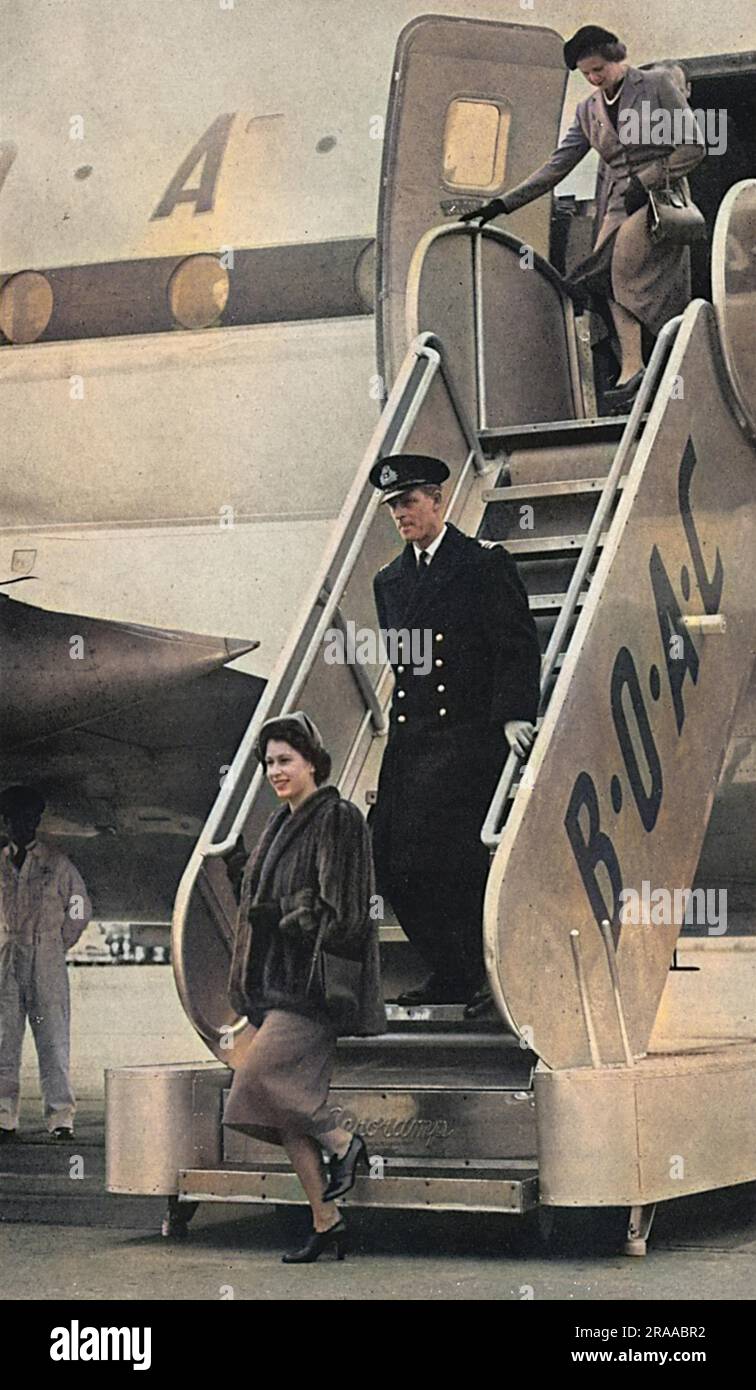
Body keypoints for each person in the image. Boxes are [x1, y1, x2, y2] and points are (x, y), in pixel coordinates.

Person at [368, 455, 541, 1015]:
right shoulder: (389, 580)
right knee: (389, 860)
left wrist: (514, 713)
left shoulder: (481, 564)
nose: (401, 515)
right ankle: (452, 968)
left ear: (438, 501)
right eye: (394, 506)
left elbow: (514, 641)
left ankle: (484, 978)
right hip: (412, 740)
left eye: (410, 502)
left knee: (459, 863)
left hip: (467, 738)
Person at [461, 24, 706, 411]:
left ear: (616, 58)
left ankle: (648, 366)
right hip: (616, 206)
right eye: (587, 73)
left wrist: (647, 179)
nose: (594, 78)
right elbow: (557, 166)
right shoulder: (588, 110)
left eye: (600, 69)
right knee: (603, 279)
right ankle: (633, 366)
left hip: (658, 198)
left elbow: (694, 147)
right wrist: (502, 204)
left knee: (620, 271)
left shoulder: (657, 85)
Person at [224, 712, 385, 1264]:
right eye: (268, 762)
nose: (275, 771)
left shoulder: (337, 817)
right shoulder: (278, 823)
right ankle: (327, 1219)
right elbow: (271, 900)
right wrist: (244, 873)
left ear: (312, 761)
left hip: (314, 985)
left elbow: (342, 912)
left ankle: (343, 1140)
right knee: (272, 1104)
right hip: (279, 986)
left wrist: (281, 914)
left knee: (258, 1078)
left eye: (285, 760)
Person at [0, 785, 92, 1141]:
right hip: (8, 954)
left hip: (45, 957)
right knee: (4, 1039)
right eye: (12, 819)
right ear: (6, 823)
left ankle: (60, 1118)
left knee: (52, 1038)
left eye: (26, 818)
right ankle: (4, 1117)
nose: (19, 826)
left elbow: (80, 906)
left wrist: (59, 941)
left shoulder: (57, 862)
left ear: (35, 821)